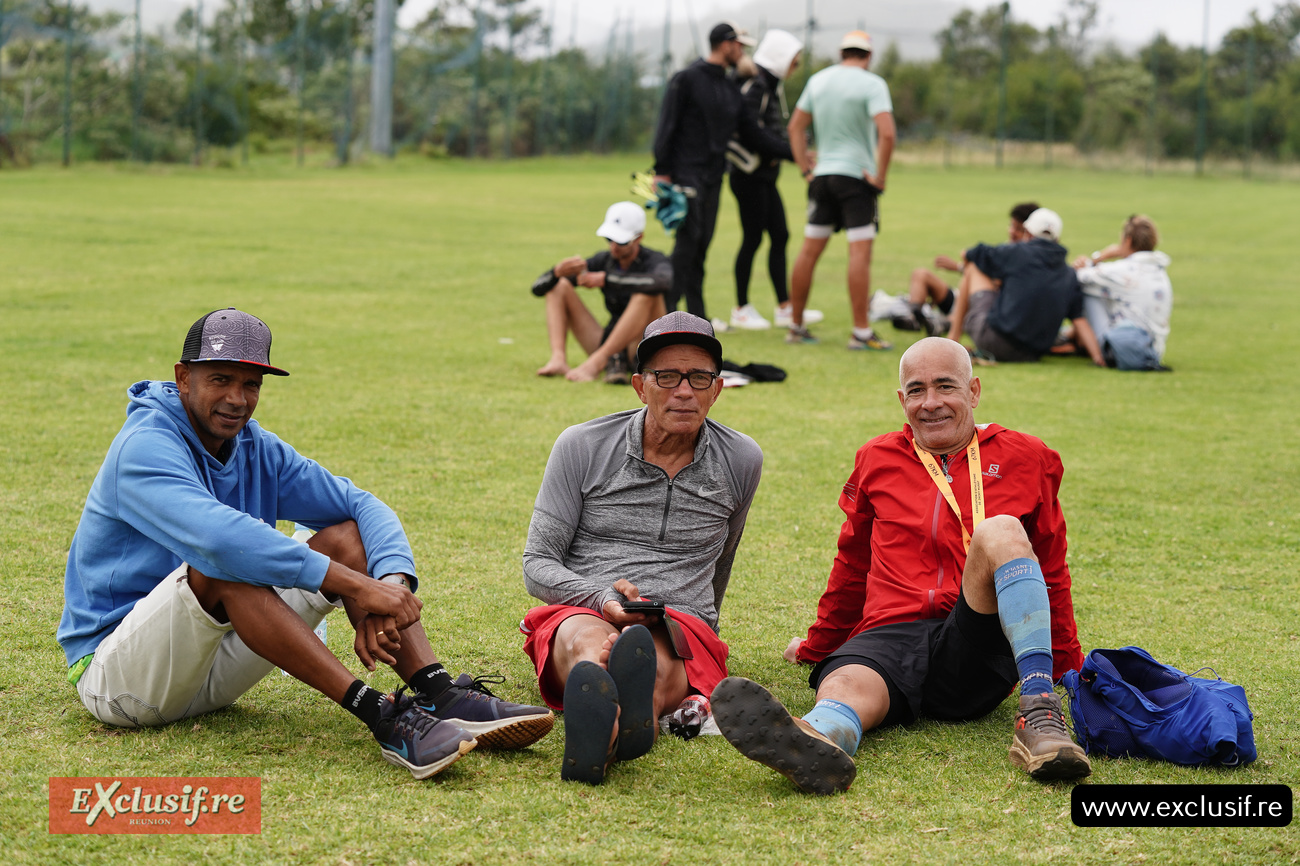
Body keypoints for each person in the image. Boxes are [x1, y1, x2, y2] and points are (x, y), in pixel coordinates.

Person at [59, 308, 554, 780]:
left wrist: (387, 583)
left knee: (347, 538)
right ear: (183, 377)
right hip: (120, 679)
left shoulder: (254, 446)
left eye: (250, 384)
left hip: (211, 669)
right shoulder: (144, 446)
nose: (237, 398)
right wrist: (352, 587)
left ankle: (437, 692)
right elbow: (218, 542)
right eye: (220, 379)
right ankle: (381, 717)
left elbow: (362, 505)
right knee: (226, 563)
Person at [712, 337, 1090, 795]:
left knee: (1002, 531)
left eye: (945, 387)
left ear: (973, 391)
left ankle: (1040, 710)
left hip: (975, 639)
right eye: (916, 390)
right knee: (845, 681)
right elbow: (852, 565)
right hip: (891, 634)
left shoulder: (1027, 457)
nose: (930, 403)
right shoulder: (877, 458)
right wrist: (818, 646)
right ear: (901, 400)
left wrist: (1070, 668)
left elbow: (1049, 569)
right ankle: (818, 737)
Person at [520, 311, 763, 784]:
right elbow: (537, 563)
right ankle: (620, 713)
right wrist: (603, 600)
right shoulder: (582, 445)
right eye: (666, 376)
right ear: (639, 385)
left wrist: (695, 622)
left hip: (679, 620)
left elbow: (722, 561)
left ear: (717, 389)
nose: (684, 391)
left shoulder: (741, 459)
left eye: (699, 377)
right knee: (588, 640)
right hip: (585, 602)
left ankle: (612, 724)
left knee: (650, 652)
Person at [653, 22, 793, 322]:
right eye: (739, 45)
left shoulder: (730, 87)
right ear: (726, 44)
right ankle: (661, 316)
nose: (743, 51)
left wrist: (794, 154)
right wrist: (662, 171)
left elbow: (752, 134)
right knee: (687, 247)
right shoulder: (687, 79)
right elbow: (667, 125)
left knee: (700, 249)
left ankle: (695, 319)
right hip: (685, 176)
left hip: (714, 178)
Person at [784, 30, 895, 351]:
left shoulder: (818, 80)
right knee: (859, 253)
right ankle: (861, 332)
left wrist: (805, 167)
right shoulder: (873, 84)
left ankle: (795, 325)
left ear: (842, 52)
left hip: (822, 178)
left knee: (808, 252)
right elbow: (887, 134)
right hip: (856, 179)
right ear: (868, 56)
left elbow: (795, 127)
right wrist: (880, 177)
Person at [725, 29, 822, 332]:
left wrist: (795, 151)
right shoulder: (757, 84)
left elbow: (772, 130)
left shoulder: (770, 85)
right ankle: (740, 308)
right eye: (794, 60)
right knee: (753, 238)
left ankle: (784, 306)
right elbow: (753, 133)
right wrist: (796, 153)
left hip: (764, 177)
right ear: (781, 57)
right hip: (748, 176)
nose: (795, 66)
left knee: (779, 235)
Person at [533, 201, 671, 384]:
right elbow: (538, 289)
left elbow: (663, 282)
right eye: (609, 238)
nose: (613, 246)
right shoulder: (604, 260)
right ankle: (558, 358)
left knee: (646, 293)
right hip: (609, 342)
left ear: (638, 238)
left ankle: (598, 361)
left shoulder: (654, 260)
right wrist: (556, 272)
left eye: (620, 241)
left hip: (645, 345)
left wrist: (606, 279)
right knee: (559, 285)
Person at [945, 208, 1104, 365]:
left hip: (994, 342)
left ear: (1027, 232)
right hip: (1032, 354)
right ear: (1057, 239)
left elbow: (970, 254)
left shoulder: (1017, 252)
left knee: (973, 267)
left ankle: (952, 341)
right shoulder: (1069, 274)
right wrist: (1098, 357)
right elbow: (1080, 321)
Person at [904, 202, 1040, 336]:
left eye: (1018, 230)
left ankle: (944, 324)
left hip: (984, 307)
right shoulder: (1006, 250)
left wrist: (963, 267)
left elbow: (992, 280)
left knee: (972, 283)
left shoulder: (1028, 260)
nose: (1012, 232)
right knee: (920, 274)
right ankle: (914, 316)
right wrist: (959, 267)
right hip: (963, 298)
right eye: (1011, 226)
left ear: (1030, 233)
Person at [1068, 214, 1173, 371]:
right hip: (1154, 352)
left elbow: (1077, 276)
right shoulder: (1160, 272)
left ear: (1128, 240)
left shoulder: (1121, 271)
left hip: (1122, 350)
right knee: (1103, 291)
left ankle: (1078, 341)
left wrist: (1099, 257)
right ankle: (1073, 337)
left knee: (1088, 291)